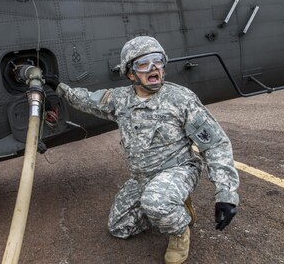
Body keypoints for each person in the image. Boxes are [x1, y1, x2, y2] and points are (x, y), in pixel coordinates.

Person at [45, 36, 239, 264]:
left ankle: (179, 231)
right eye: (144, 64)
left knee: (156, 202)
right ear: (131, 74)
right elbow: (88, 100)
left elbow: (215, 144)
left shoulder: (180, 99)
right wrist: (59, 88)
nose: (154, 67)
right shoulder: (120, 100)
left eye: (158, 61)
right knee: (119, 227)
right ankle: (173, 205)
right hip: (143, 178)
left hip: (179, 169)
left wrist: (226, 195)